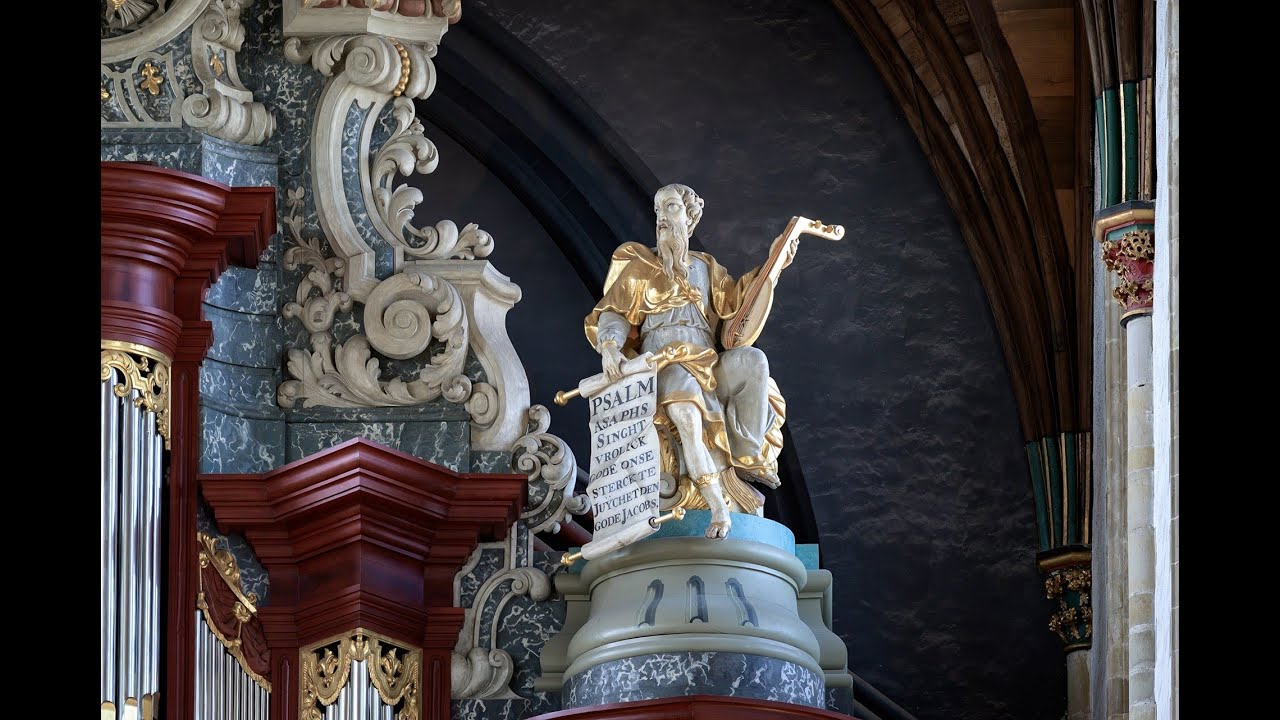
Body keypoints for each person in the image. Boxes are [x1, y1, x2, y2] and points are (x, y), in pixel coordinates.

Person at [583, 183, 794, 539]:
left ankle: (747, 456)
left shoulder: (707, 268)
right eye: (658, 211)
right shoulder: (637, 264)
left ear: (690, 217)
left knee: (753, 361)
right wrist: (609, 346)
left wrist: (773, 267)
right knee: (686, 415)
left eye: (671, 209)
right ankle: (716, 504)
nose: (662, 219)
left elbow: (737, 312)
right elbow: (615, 313)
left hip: (708, 363)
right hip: (664, 363)